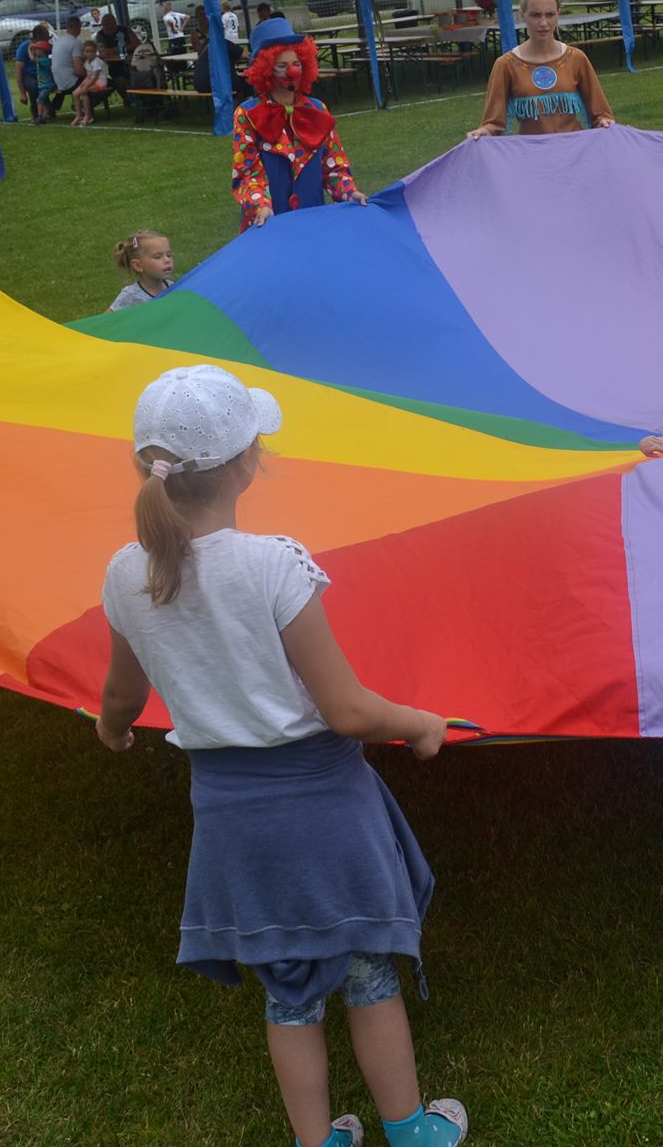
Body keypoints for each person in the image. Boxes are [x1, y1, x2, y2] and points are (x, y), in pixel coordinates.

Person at [95, 365, 467, 1147]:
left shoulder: (126, 575)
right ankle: (410, 1130)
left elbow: (124, 695)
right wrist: (424, 723)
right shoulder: (273, 565)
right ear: (244, 463)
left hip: (233, 824)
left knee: (289, 993)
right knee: (368, 976)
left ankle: (317, 1140)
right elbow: (348, 710)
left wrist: (112, 729)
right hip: (325, 809)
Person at [233, 17, 367, 227]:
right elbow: (248, 174)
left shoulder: (317, 109)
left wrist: (350, 192)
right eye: (282, 66)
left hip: (313, 221)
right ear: (266, 70)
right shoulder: (248, 114)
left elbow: (334, 168)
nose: (292, 71)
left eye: (296, 64)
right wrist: (261, 206)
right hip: (268, 224)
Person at [467, 0, 616, 140]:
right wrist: (484, 132)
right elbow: (493, 124)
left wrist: (604, 122)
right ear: (522, 15)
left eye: (550, 14)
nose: (543, 23)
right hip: (531, 155)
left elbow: (601, 114)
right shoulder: (506, 65)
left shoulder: (576, 58)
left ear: (558, 13)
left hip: (575, 153)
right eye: (535, 15)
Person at [110, 229, 176, 311]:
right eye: (157, 257)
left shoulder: (174, 288)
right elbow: (105, 321)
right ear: (138, 265)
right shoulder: (130, 296)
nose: (167, 260)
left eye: (169, 255)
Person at [50, 15, 84, 116]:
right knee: (99, 81)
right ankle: (83, 107)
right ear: (78, 28)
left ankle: (56, 104)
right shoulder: (75, 43)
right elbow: (79, 71)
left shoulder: (57, 42)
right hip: (71, 84)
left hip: (58, 82)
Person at [70, 41, 109, 127]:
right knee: (75, 93)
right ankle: (78, 115)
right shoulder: (87, 62)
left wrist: (85, 86)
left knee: (84, 92)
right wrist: (82, 85)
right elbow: (88, 76)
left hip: (100, 82)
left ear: (95, 52)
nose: (89, 53)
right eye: (87, 51)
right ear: (84, 52)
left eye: (92, 51)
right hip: (92, 81)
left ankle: (88, 115)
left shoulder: (97, 62)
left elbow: (95, 77)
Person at [21, 29, 54, 124]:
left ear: (43, 51)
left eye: (37, 49)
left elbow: (32, 59)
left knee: (39, 100)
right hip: (42, 85)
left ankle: (40, 116)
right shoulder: (41, 59)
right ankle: (44, 116)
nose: (35, 51)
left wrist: (29, 50)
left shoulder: (44, 60)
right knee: (44, 102)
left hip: (47, 85)